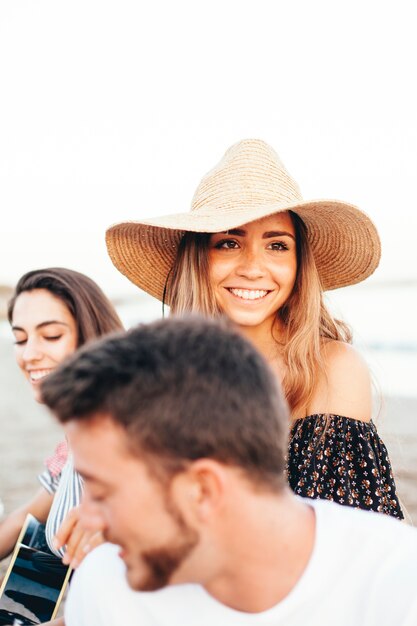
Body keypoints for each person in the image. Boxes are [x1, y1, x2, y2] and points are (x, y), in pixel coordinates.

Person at [41, 316, 417, 626]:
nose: (85, 517)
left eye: (103, 492)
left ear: (203, 489)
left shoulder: (396, 585)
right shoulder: (107, 588)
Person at [105, 138, 403, 518]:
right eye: (229, 243)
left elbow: (339, 542)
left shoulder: (331, 369)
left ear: (299, 265)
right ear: (199, 259)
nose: (252, 267)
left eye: (277, 246)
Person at [1, 268, 123, 574]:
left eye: (51, 336)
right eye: (19, 338)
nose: (29, 354)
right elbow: (27, 517)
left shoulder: (131, 439)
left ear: (90, 335)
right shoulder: (73, 440)